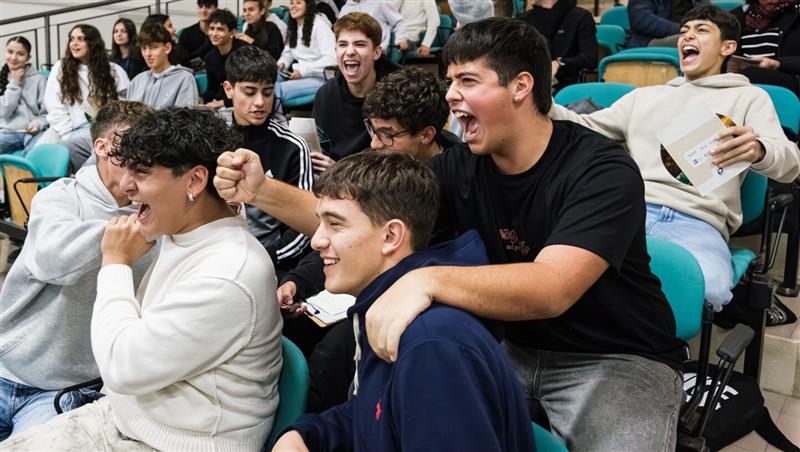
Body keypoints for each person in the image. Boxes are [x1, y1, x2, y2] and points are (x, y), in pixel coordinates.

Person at [214, 17, 689, 450]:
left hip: (617, 359)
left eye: (467, 81)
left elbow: (553, 288)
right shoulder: (462, 166)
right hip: (511, 347)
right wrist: (260, 190)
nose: (450, 96)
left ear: (521, 86)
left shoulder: (600, 169)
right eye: (449, 82)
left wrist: (428, 280)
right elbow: (362, 225)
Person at [4, 107, 283, 451]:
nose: (125, 185)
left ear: (195, 181)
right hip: (129, 417)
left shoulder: (229, 272)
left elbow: (122, 367)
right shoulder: (181, 226)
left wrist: (115, 263)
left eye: (141, 172)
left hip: (177, 441)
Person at [265, 151, 536, 452]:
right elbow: (375, 415)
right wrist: (307, 436)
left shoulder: (431, 345)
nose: (316, 241)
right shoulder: (388, 310)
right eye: (320, 223)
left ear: (391, 236)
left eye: (335, 224)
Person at [550, 5, 800, 312]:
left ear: (728, 47)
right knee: (563, 274)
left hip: (698, 223)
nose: (687, 36)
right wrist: (537, 97)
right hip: (629, 211)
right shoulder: (646, 96)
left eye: (701, 30)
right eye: (683, 31)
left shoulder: (750, 98)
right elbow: (584, 126)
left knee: (708, 290)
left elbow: (790, 165)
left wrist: (760, 149)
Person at [280, 66, 459, 412]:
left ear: (426, 134)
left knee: (333, 356)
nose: (375, 143)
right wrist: (298, 280)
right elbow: (340, 233)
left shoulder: (458, 183)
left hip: (412, 304)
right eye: (373, 130)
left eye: (388, 134)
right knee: (296, 325)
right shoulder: (379, 161)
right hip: (357, 287)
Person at [0, 101, 155, 439]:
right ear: (102, 147)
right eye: (128, 152)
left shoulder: (156, 220)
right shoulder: (58, 198)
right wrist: (128, 232)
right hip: (5, 366)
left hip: (63, 391)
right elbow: (52, 259)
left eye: (145, 156)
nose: (136, 168)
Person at [223, 45, 313, 275]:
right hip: (216, 252)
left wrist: (265, 260)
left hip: (267, 260)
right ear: (229, 89)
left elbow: (303, 227)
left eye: (267, 92)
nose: (260, 102)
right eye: (250, 91)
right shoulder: (212, 137)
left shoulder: (292, 146)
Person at [311, 12, 399, 172]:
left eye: (359, 44)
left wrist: (340, 170)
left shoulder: (398, 91)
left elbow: (400, 155)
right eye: (343, 44)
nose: (350, 51)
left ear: (377, 52)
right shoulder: (325, 95)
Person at [40, 24, 129, 170]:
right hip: (63, 129)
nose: (74, 43)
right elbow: (54, 106)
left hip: (98, 129)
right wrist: (67, 133)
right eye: (72, 39)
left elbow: (124, 105)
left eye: (80, 39)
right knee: (39, 156)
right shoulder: (60, 67)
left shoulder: (114, 70)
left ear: (92, 44)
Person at [518, 0, 598, 89]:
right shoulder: (523, 20)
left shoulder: (580, 17)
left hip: (567, 86)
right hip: (529, 83)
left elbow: (590, 59)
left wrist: (559, 63)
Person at [729, 0, 800, 96]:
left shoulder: (796, 13)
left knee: (747, 75)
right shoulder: (735, 17)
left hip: (788, 78)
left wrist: (777, 64)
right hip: (740, 77)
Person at [275, 0, 336, 107]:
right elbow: (288, 53)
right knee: (265, 79)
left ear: (308, 5)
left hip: (320, 78)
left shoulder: (320, 25)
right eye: (292, 3)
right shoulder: (294, 26)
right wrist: (281, 64)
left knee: (274, 90)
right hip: (298, 75)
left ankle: (277, 120)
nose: (293, 6)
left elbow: (332, 59)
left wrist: (303, 71)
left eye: (298, 2)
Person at [127, 23, 198, 109]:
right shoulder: (136, 81)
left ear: (167, 48)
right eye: (144, 48)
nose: (147, 54)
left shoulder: (185, 79)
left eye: (153, 47)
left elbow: (186, 119)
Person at [0, 36, 47, 153]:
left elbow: (47, 113)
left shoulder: (40, 80)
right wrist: (15, 83)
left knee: (36, 153)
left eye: (20, 54)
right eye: (10, 52)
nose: (13, 58)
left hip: (33, 132)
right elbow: (3, 112)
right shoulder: (1, 78)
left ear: (28, 57)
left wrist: (37, 125)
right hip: (7, 132)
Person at [201, 9, 250, 109]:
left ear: (232, 32)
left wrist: (222, 103)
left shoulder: (245, 52)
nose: (214, 33)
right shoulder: (210, 57)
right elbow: (212, 89)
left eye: (220, 29)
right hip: (222, 103)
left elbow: (249, 89)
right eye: (212, 28)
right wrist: (201, 98)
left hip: (244, 103)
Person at [627, 0, 705, 48]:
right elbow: (641, 19)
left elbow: (709, 15)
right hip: (650, 40)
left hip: (688, 33)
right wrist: (683, 30)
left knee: (712, 38)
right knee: (696, 40)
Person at [338, 0, 409, 52]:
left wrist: (401, 39)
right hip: (352, 50)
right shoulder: (345, 9)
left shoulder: (379, 3)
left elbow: (399, 22)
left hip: (377, 51)